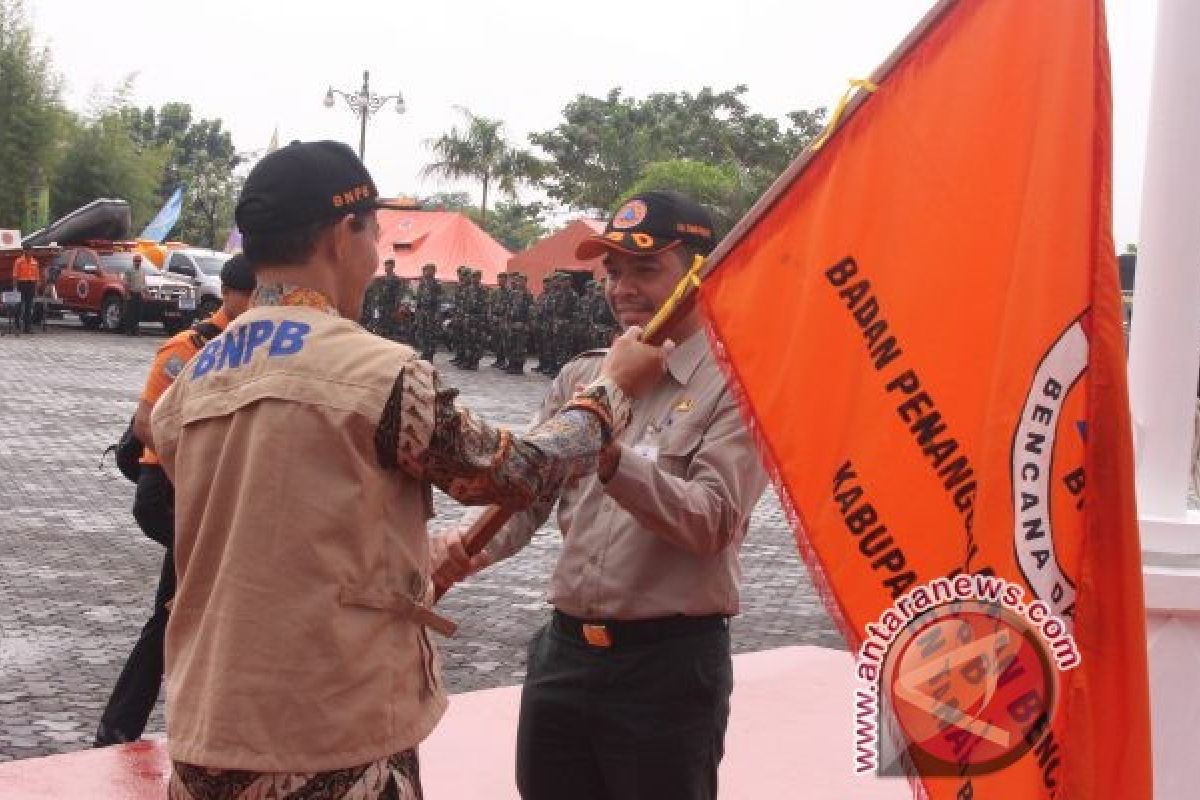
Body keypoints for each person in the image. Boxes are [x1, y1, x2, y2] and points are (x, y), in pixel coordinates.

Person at [147, 140, 671, 800]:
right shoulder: (379, 373)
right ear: (347, 234)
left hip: (204, 730)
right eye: (375, 235)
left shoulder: (190, 382)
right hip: (330, 736)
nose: (375, 259)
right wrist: (612, 388)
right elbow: (522, 474)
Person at [433, 190, 770, 800]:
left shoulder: (737, 386)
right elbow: (530, 497)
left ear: (702, 272)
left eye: (645, 269)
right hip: (563, 656)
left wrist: (608, 455)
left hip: (666, 670)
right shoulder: (582, 378)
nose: (621, 289)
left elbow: (713, 521)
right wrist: (466, 548)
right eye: (613, 272)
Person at [94, 255, 257, 747]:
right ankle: (128, 727)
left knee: (177, 610)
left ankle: (120, 727)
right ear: (231, 294)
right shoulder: (189, 348)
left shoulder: (251, 347)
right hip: (167, 495)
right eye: (254, 296)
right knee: (182, 609)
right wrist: (190, 476)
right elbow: (147, 423)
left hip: (202, 501)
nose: (258, 307)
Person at [504, 272, 534, 375]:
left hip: (522, 324)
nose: (519, 282)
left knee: (520, 346)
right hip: (512, 323)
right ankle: (511, 364)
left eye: (522, 281)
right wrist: (508, 322)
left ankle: (519, 366)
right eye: (518, 280)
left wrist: (526, 324)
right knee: (511, 344)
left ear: (525, 282)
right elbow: (508, 308)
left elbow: (531, 311)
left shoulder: (528, 294)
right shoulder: (513, 293)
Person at [414, 262, 442, 360]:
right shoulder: (422, 283)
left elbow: (439, 301)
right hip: (422, 312)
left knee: (431, 334)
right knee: (422, 333)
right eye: (425, 270)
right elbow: (418, 299)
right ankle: (425, 352)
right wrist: (417, 313)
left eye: (428, 270)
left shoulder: (436, 284)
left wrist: (437, 315)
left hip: (431, 313)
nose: (426, 272)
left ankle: (430, 354)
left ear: (433, 271)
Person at [12, 244, 39, 333]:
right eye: (28, 250)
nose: (30, 252)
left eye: (31, 251)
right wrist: (15, 288)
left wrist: (36, 289)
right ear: (24, 251)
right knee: (19, 306)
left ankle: (27, 328)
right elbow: (15, 275)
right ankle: (17, 326)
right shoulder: (19, 261)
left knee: (29, 307)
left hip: (31, 285)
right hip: (21, 284)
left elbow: (36, 277)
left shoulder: (34, 262)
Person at [123, 253, 147, 336]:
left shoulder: (142, 270)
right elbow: (126, 283)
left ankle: (135, 330)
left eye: (139, 261)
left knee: (138, 313)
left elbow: (143, 282)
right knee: (130, 313)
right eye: (136, 261)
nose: (138, 262)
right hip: (131, 293)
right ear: (133, 261)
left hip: (139, 294)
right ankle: (128, 330)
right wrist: (128, 293)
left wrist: (144, 293)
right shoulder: (129, 270)